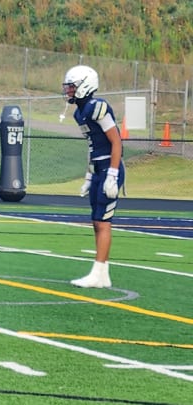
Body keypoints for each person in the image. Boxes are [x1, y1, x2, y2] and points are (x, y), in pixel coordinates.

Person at [62, 65, 125, 288]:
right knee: (97, 221)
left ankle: (99, 272)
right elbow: (93, 145)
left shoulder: (97, 107)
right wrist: (89, 176)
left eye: (72, 86)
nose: (68, 90)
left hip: (110, 167)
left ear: (85, 85)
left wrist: (113, 174)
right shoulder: (81, 112)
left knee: (103, 222)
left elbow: (116, 141)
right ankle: (102, 274)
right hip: (98, 168)